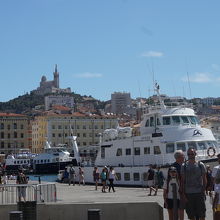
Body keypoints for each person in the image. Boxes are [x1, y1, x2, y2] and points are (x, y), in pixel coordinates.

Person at [181, 147, 207, 220]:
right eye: (189, 154)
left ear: (195, 154)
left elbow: (204, 179)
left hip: (199, 193)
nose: (190, 155)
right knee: (191, 215)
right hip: (188, 194)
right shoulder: (184, 166)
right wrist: (183, 194)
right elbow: (182, 181)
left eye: (192, 154)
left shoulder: (200, 164)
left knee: (202, 214)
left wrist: (203, 191)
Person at [172, 150, 185, 220]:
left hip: (183, 188)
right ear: (178, 157)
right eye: (183, 156)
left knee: (181, 207)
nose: (184, 157)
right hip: (177, 190)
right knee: (179, 207)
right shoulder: (174, 167)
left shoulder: (183, 165)